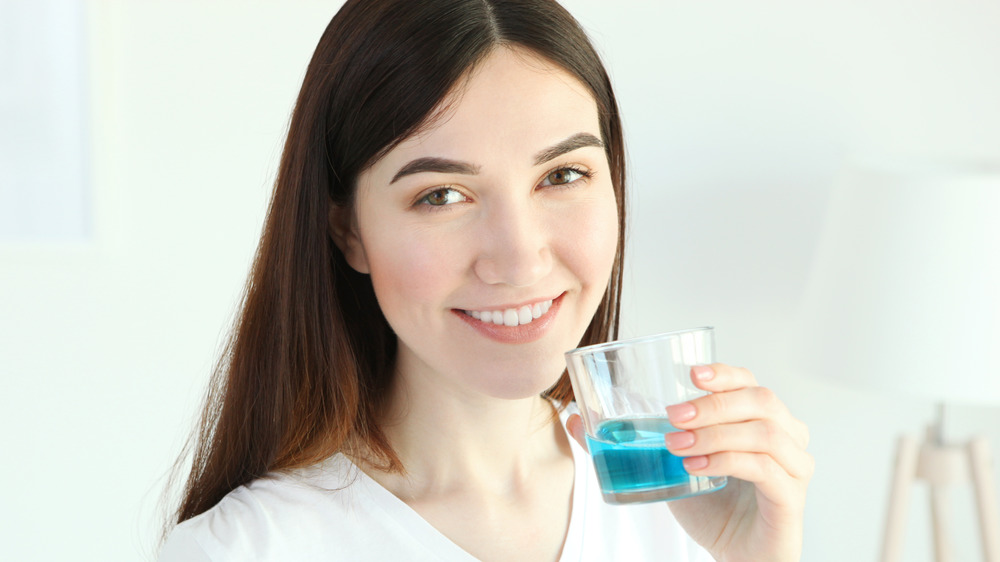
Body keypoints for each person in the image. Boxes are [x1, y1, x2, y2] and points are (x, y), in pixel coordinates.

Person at [159, 0, 813, 560]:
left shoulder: (688, 509)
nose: (520, 258)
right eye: (443, 195)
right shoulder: (247, 549)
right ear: (347, 230)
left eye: (562, 176)